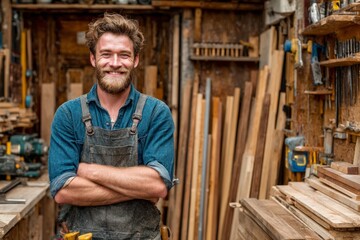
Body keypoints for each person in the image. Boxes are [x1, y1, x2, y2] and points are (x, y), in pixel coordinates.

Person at [48, 12, 175, 240]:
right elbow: (63, 191)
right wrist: (137, 189)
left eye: (124, 55)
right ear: (93, 58)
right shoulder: (68, 115)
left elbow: (157, 187)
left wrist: (88, 171)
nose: (115, 63)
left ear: (135, 60)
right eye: (106, 54)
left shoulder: (156, 113)